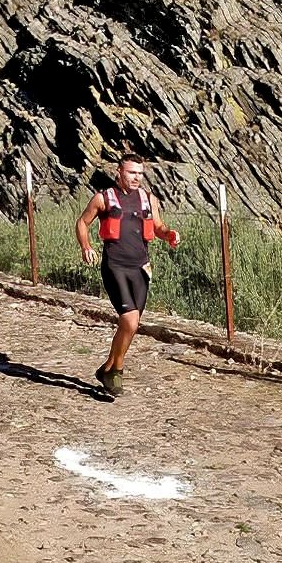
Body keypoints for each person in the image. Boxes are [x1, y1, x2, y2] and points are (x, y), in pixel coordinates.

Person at [75, 154, 179, 397]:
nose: (136, 178)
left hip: (141, 268)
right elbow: (82, 222)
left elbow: (158, 227)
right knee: (130, 321)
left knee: (130, 326)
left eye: (140, 173)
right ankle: (117, 371)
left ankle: (107, 368)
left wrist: (169, 234)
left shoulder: (148, 199)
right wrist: (86, 246)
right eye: (132, 172)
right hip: (115, 266)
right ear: (119, 172)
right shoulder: (103, 198)